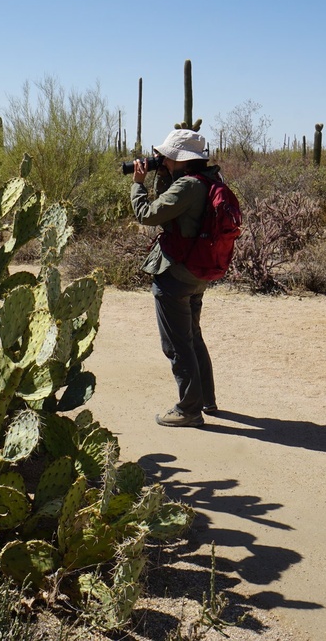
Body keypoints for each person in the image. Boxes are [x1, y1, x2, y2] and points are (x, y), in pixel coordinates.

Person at [130, 128, 221, 428]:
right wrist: (165, 169)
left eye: (170, 155)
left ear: (183, 160)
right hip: (197, 272)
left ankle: (189, 409)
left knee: (176, 344)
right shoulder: (209, 181)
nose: (165, 158)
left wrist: (138, 185)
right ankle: (206, 399)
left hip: (175, 274)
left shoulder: (186, 188)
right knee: (193, 337)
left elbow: (147, 214)